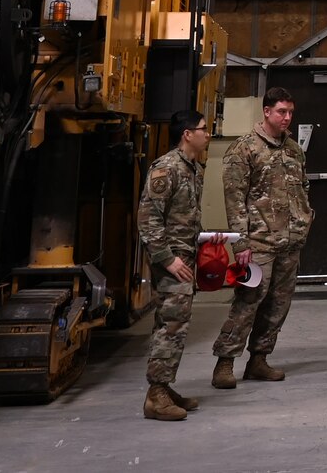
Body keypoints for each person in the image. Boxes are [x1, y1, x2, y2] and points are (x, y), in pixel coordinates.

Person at [211, 87, 312, 389]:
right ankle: (225, 363)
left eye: (290, 112)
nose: (287, 117)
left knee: (278, 306)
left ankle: (259, 360)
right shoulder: (244, 150)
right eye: (282, 111)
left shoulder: (293, 149)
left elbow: (302, 187)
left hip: (290, 242)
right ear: (266, 111)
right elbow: (234, 199)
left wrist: (306, 218)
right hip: (258, 245)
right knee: (247, 302)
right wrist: (240, 243)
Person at [136, 109, 215, 421]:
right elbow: (148, 218)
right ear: (187, 134)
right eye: (203, 129)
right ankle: (156, 394)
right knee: (173, 325)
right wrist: (167, 259)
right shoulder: (167, 168)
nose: (208, 134)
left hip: (185, 256)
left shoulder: (193, 168)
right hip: (171, 260)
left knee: (171, 322)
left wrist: (207, 239)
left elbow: (186, 217)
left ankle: (164, 388)